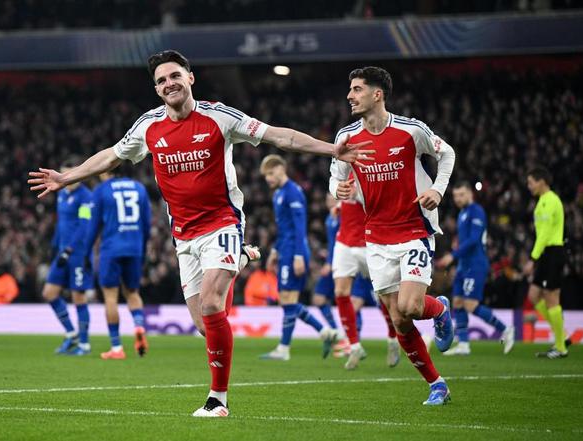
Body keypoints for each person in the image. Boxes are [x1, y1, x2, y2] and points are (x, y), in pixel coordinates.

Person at [28, 50, 370, 417]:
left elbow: (278, 137)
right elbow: (111, 156)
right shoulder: (148, 126)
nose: (169, 83)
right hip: (183, 236)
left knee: (210, 304)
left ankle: (218, 400)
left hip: (222, 223)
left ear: (190, 78)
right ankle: (241, 258)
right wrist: (67, 177)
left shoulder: (219, 117)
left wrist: (331, 149)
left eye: (175, 75)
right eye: (161, 80)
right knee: (205, 326)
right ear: (156, 89)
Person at [330, 66, 456, 405]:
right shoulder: (347, 137)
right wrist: (338, 189)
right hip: (376, 237)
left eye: (357, 89)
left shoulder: (410, 130)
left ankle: (438, 310)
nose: (350, 96)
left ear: (378, 94)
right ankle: (437, 385)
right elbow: (335, 175)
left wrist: (439, 189)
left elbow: (447, 153)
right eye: (350, 89)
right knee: (399, 320)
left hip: (414, 230)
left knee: (411, 306)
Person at [259, 154, 339, 361]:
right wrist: (274, 252)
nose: (268, 178)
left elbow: (299, 226)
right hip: (285, 249)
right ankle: (322, 333)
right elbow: (283, 229)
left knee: (288, 300)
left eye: (270, 173)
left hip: (294, 251)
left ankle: (288, 346)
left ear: (281, 169)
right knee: (286, 300)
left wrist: (298, 256)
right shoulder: (278, 194)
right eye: (266, 175)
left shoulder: (293, 192)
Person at [437, 181, 515, 355]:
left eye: (461, 195)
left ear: (470, 194)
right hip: (463, 265)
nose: (458, 199)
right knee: (457, 302)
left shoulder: (476, 211)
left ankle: (506, 329)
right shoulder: (462, 213)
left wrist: (453, 255)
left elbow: (474, 240)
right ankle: (463, 344)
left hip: (475, 264)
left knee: (470, 304)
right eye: (455, 196)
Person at [331, 175, 399, 370]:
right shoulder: (344, 169)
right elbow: (339, 192)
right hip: (344, 241)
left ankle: (393, 338)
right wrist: (339, 205)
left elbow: (385, 203)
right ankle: (354, 346)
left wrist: (359, 196)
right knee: (340, 292)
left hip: (369, 243)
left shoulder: (375, 170)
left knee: (384, 294)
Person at [85, 166, 152, 360]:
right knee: (132, 293)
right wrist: (142, 249)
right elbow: (147, 225)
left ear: (106, 170)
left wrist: (86, 252)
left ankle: (116, 347)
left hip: (111, 249)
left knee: (110, 297)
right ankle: (138, 326)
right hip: (135, 248)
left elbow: (93, 226)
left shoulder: (102, 190)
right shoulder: (139, 188)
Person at [42, 156, 94, 356]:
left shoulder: (86, 197)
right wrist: (55, 247)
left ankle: (84, 344)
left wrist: (69, 249)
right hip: (62, 253)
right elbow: (61, 224)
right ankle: (72, 334)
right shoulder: (61, 194)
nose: (65, 178)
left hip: (78, 254)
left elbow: (84, 226)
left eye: (69, 174)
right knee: (49, 293)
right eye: (62, 174)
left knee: (78, 297)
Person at [523, 167, 568, 359]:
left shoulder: (551, 200)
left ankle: (561, 346)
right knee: (533, 295)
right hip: (544, 253)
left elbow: (546, 233)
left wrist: (533, 259)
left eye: (531, 182)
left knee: (551, 298)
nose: (529, 186)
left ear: (541, 181)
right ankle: (562, 335)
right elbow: (541, 233)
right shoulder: (541, 201)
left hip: (553, 252)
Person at [311, 194, 341, 333]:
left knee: (354, 300)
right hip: (333, 261)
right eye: (327, 198)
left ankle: (349, 335)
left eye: (333, 198)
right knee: (319, 298)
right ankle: (336, 331)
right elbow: (332, 243)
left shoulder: (342, 217)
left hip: (341, 262)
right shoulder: (330, 218)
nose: (329, 201)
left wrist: (329, 262)